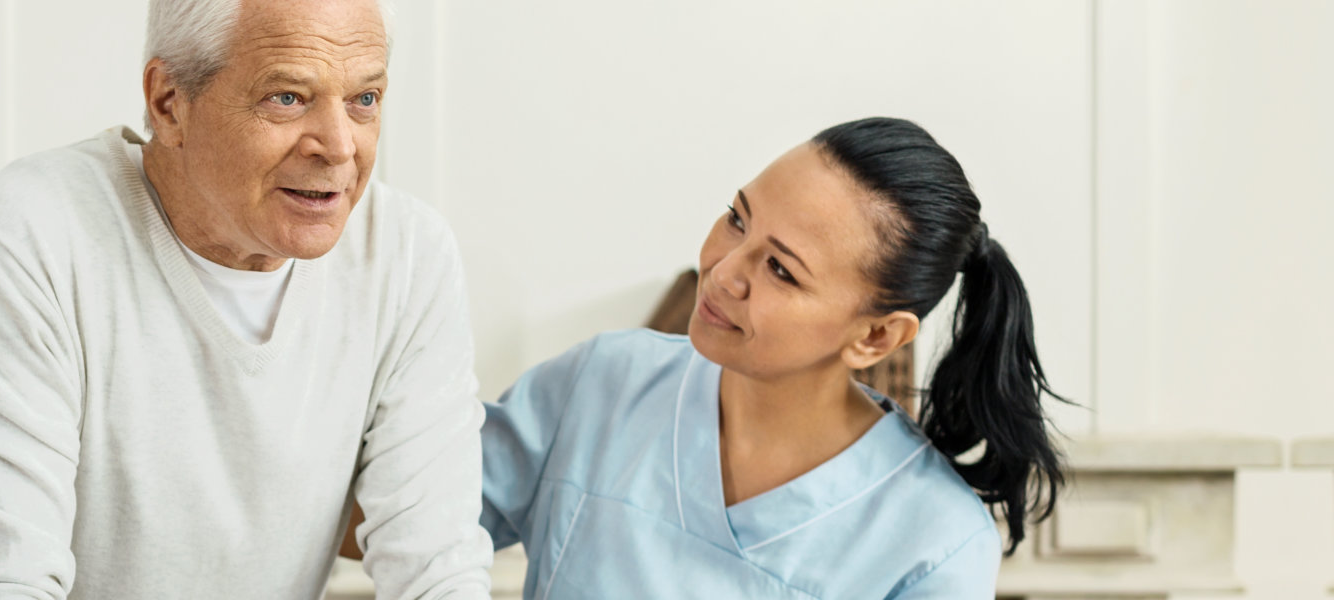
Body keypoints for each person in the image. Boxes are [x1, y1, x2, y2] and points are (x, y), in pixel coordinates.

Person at [0, 0, 494, 598]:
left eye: (364, 100)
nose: (339, 147)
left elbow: (438, 568)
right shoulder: (31, 235)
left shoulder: (408, 255)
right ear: (169, 103)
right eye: (287, 97)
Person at [350, 117, 1063, 598]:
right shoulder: (603, 385)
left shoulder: (936, 544)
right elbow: (389, 522)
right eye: (737, 219)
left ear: (875, 338)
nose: (723, 271)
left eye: (781, 270)